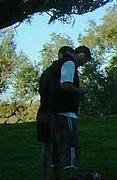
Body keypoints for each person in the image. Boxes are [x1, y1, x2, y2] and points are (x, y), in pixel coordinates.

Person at [48, 45, 91, 180]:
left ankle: (57, 177)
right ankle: (69, 176)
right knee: (70, 146)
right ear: (82, 55)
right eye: (85, 61)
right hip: (66, 113)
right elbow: (65, 85)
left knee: (57, 148)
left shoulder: (56, 65)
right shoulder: (69, 63)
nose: (83, 64)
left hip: (54, 113)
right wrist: (80, 91)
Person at [37, 45, 75, 180]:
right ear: (63, 55)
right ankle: (59, 176)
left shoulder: (47, 72)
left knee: (46, 147)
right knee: (59, 147)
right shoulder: (60, 70)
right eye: (69, 55)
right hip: (53, 111)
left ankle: (45, 177)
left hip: (42, 111)